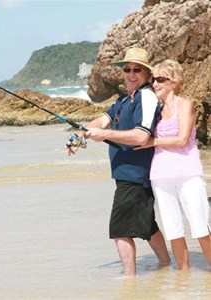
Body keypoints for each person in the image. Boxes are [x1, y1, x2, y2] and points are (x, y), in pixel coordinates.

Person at [67, 48, 171, 277]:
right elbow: (102, 120)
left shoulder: (146, 96)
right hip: (125, 173)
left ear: (146, 73)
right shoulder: (124, 99)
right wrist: (79, 136)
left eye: (137, 70)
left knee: (120, 230)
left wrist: (105, 135)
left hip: (136, 173)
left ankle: (129, 280)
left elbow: (141, 136)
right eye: (127, 69)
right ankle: (166, 266)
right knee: (147, 225)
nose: (131, 74)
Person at [138, 59, 211, 271]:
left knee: (200, 227)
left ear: (174, 82)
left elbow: (182, 139)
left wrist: (154, 142)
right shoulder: (154, 112)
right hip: (160, 176)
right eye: (154, 80)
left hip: (188, 173)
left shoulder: (186, 105)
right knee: (173, 229)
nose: (155, 84)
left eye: (161, 79)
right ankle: (183, 278)